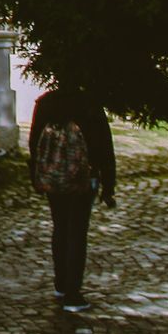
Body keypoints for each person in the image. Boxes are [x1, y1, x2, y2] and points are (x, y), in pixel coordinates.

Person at [29, 82, 116, 311]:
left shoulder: (45, 103)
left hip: (54, 178)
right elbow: (105, 146)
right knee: (77, 232)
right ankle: (73, 293)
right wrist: (109, 184)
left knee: (60, 227)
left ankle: (60, 284)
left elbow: (33, 142)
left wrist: (37, 175)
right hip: (83, 179)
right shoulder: (89, 104)